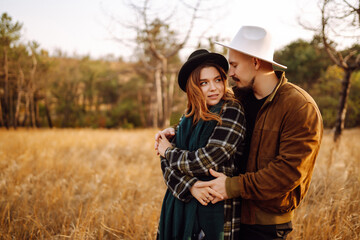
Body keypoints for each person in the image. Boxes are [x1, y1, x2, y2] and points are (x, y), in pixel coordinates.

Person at [157, 26, 323, 240]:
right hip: (229, 212)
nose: (230, 73)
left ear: (255, 62)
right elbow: (202, 124)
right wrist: (176, 132)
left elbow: (288, 173)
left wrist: (231, 186)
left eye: (234, 65)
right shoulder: (236, 97)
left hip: (264, 223)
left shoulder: (299, 106)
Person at [155, 49, 246, 240]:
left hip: (215, 207)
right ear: (193, 88)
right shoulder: (187, 117)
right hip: (181, 205)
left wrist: (169, 152)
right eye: (204, 83)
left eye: (218, 80)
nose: (213, 88)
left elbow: (207, 160)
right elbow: (165, 165)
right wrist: (190, 186)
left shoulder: (231, 110)